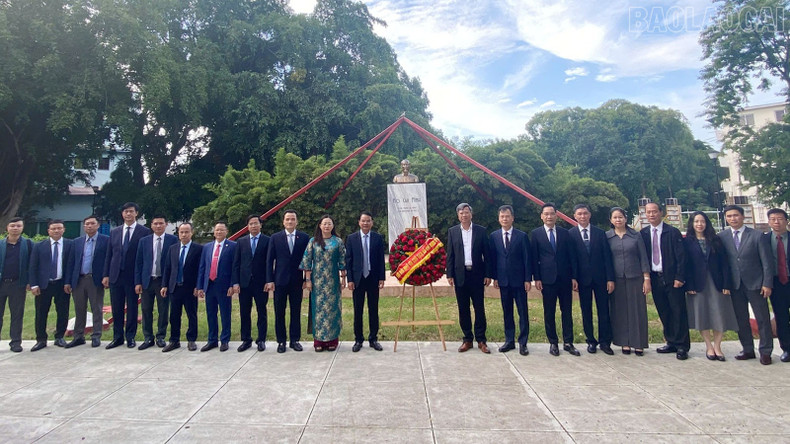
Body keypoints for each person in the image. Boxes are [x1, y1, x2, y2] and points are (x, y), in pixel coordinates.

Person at [718, 205, 774, 365]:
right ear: (726, 219)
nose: (733, 219)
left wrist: (767, 283)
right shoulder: (722, 237)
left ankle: (765, 351)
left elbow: (767, 262)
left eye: (735, 215)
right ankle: (748, 349)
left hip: (755, 284)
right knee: (741, 319)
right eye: (729, 216)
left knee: (762, 318)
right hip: (735, 286)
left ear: (743, 217)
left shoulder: (757, 236)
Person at [683, 211, 738, 361]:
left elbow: (725, 264)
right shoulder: (687, 241)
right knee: (702, 314)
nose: (699, 224)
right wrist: (689, 285)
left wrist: (727, 283)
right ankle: (708, 346)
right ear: (692, 224)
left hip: (716, 282)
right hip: (697, 284)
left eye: (702, 221)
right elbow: (685, 265)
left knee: (718, 313)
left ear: (707, 223)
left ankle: (718, 346)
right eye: (696, 222)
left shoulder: (716, 240)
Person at [641, 202, 689, 360]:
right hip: (655, 278)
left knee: (678, 311)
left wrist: (680, 277)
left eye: (654, 211)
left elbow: (681, 257)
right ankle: (671, 341)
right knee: (664, 311)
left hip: (672, 278)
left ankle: (682, 345)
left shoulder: (672, 232)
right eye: (648, 212)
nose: (651, 215)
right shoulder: (643, 233)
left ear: (661, 213)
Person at [531, 203, 579, 356]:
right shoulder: (536, 234)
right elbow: (534, 258)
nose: (549, 216)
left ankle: (568, 342)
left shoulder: (565, 233)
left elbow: (572, 257)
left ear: (556, 215)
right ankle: (553, 342)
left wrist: (573, 277)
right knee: (549, 311)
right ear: (541, 216)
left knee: (567, 311)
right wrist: (536, 278)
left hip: (564, 279)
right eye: (546, 214)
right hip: (547, 279)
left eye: (552, 213)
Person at [103, 202, 152, 349]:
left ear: (136, 213)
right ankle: (117, 337)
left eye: (131, 211)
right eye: (125, 212)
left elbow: (145, 257)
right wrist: (106, 274)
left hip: (133, 277)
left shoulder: (144, 231)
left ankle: (130, 337)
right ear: (122, 214)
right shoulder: (115, 232)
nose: (128, 214)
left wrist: (142, 278)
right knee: (116, 307)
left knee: (132, 307)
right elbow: (109, 255)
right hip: (115, 275)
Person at [569, 204, 616, 355]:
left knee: (604, 311)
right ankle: (591, 341)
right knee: (586, 310)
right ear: (575, 216)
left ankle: (605, 342)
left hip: (601, 278)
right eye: (579, 214)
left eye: (585, 213)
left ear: (590, 215)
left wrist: (610, 278)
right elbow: (572, 259)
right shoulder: (571, 234)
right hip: (583, 280)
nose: (582, 216)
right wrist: (574, 277)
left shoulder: (600, 233)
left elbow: (607, 257)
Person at [446, 203, 491, 353]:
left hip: (477, 275)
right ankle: (467, 339)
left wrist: (488, 274)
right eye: (461, 213)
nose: (464, 215)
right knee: (463, 308)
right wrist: (450, 274)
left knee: (479, 308)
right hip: (460, 275)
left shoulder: (481, 231)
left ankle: (481, 339)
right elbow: (450, 255)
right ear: (458, 215)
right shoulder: (452, 232)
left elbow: (487, 255)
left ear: (471, 214)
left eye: (466, 212)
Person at [606, 207, 651, 355]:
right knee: (619, 311)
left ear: (625, 219)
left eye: (621, 217)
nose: (618, 220)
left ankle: (639, 343)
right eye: (615, 217)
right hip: (616, 280)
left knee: (637, 310)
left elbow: (643, 257)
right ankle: (623, 342)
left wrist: (646, 278)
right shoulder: (607, 237)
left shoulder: (635, 236)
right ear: (611, 220)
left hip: (635, 277)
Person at [489, 205, 532, 355]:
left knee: (522, 312)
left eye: (507, 216)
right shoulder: (494, 236)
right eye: (502, 217)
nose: (505, 219)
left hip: (519, 281)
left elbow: (527, 259)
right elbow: (492, 259)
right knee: (507, 312)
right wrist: (494, 277)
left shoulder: (522, 236)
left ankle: (523, 342)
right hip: (503, 281)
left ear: (512, 218)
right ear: (498, 218)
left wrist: (528, 279)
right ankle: (509, 340)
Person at [265, 210, 309, 353]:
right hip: (280, 281)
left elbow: (308, 261)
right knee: (279, 312)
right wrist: (269, 280)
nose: (290, 222)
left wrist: (306, 279)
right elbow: (269, 260)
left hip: (297, 281)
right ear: (283, 221)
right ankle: (281, 341)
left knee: (296, 311)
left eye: (293, 219)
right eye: (287, 219)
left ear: (297, 221)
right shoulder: (275, 238)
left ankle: (294, 340)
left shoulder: (304, 237)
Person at [300, 215, 346, 352]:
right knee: (318, 310)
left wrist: (343, 279)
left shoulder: (338, 242)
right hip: (317, 282)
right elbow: (307, 261)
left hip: (332, 281)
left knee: (333, 309)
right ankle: (318, 341)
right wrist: (307, 280)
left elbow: (343, 261)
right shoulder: (313, 242)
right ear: (320, 226)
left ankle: (332, 340)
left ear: (333, 226)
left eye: (329, 224)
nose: (326, 226)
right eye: (324, 223)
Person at [64, 215, 109, 348]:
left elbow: (108, 260)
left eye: (92, 223)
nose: (89, 226)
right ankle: (78, 336)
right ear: (84, 227)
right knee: (79, 309)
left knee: (97, 308)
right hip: (79, 280)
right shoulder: (77, 242)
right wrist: (68, 281)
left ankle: (96, 335)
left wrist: (106, 276)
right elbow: (71, 263)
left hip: (95, 279)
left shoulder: (105, 241)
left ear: (98, 225)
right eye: (87, 224)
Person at [29, 219, 73, 351]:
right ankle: (41, 339)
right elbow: (33, 266)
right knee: (41, 312)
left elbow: (71, 265)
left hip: (62, 284)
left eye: (59, 228)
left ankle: (59, 337)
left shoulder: (70, 244)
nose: (56, 231)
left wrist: (68, 282)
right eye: (53, 228)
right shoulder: (39, 246)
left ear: (64, 229)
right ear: (48, 231)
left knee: (63, 311)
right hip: (44, 285)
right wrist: (34, 284)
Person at [134, 215, 177, 350]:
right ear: (151, 226)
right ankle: (148, 337)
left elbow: (174, 263)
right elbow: (139, 262)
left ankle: (160, 336)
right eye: (155, 224)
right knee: (146, 309)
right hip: (147, 280)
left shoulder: (173, 240)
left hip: (163, 281)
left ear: (166, 224)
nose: (158, 226)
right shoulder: (144, 241)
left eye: (161, 223)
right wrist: (138, 282)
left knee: (163, 310)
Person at [345, 211, 385, 352]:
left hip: (373, 278)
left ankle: (373, 339)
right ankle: (358, 339)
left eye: (368, 221)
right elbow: (348, 260)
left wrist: (382, 278)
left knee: (373, 310)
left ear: (372, 222)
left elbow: (381, 259)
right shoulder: (351, 238)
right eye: (363, 221)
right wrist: (349, 279)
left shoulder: (378, 238)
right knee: (358, 310)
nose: (365, 223)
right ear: (359, 222)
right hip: (358, 280)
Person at [160, 223, 203, 352]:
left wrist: (198, 286)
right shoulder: (172, 248)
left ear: (192, 233)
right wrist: (164, 285)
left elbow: (200, 269)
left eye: (186, 232)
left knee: (191, 314)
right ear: (178, 233)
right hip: (175, 287)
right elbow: (167, 268)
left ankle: (191, 340)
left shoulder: (198, 249)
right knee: (174, 315)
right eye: (181, 232)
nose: (184, 234)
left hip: (190, 288)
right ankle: (174, 340)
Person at [232, 215, 270, 352]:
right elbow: (236, 264)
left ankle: (261, 340)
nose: (253, 226)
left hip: (261, 283)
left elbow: (269, 263)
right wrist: (235, 282)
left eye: (256, 223)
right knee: (244, 312)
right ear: (247, 226)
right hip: (244, 283)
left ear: (261, 225)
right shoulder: (241, 242)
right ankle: (246, 340)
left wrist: (268, 280)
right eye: (251, 224)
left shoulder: (267, 241)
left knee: (262, 312)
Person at [197, 222, 236, 352]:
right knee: (210, 313)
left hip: (224, 286)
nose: (219, 232)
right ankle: (212, 340)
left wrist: (232, 284)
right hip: (210, 285)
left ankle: (224, 340)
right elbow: (202, 267)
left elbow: (234, 267)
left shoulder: (232, 246)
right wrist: (200, 286)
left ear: (226, 231)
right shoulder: (207, 247)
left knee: (225, 313)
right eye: (217, 230)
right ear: (214, 232)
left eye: (221, 230)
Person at [0, 217, 33, 352]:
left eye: (18, 226)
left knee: (17, 314)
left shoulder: (28, 244)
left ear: (22, 227)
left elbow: (32, 265)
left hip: (18, 284)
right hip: (1, 283)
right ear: (7, 227)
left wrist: (30, 281)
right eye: (12, 225)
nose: (15, 228)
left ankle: (15, 342)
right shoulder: (1, 244)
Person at [766, 208, 790, 363]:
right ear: (769, 222)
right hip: (776, 282)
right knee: (781, 317)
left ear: (786, 221)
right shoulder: (764, 240)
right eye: (773, 219)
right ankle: (787, 348)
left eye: (780, 218)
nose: (776, 222)